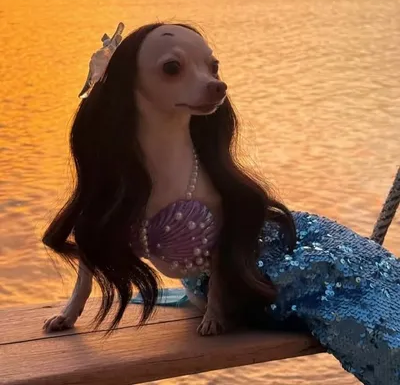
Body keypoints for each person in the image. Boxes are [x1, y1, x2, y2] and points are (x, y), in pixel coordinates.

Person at [42, 22, 400, 385]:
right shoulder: (115, 184)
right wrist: (74, 308)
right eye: (172, 68)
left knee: (365, 292)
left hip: (283, 260)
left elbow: (227, 240)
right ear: (130, 81)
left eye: (212, 68)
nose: (213, 83)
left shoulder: (209, 178)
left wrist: (217, 306)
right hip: (227, 283)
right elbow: (91, 239)